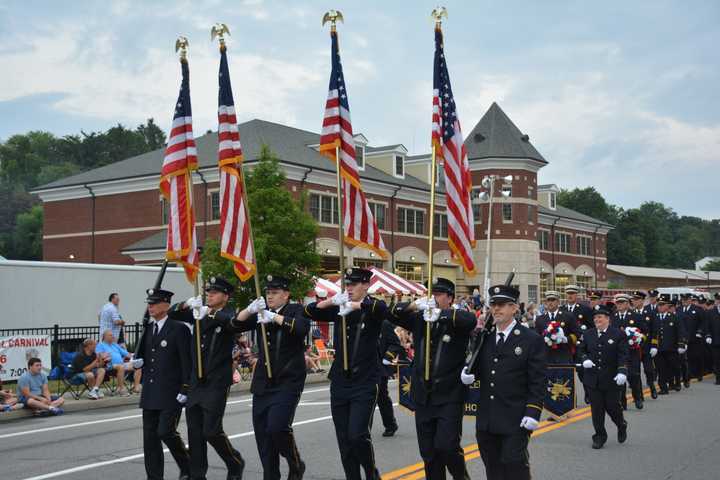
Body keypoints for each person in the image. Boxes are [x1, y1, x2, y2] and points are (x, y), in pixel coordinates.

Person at [303, 267, 388, 480]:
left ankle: (371, 472)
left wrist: (354, 305)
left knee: (358, 435)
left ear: (366, 286)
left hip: (365, 381)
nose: (349, 288)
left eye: (353, 285)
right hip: (340, 381)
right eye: (347, 285)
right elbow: (310, 311)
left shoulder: (371, 307)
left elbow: (381, 308)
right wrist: (332, 302)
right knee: (344, 441)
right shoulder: (338, 306)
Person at [388, 278, 475, 479]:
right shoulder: (420, 318)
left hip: (449, 395)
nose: (433, 298)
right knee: (429, 453)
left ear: (450, 298)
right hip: (423, 395)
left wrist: (440, 315)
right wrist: (413, 305)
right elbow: (391, 314)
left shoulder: (455, 319)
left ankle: (461, 476)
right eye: (432, 294)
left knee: (447, 446)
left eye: (438, 294)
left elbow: (469, 321)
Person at [461, 284, 546, 480]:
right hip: (487, 419)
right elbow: (480, 370)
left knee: (514, 466)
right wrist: (468, 372)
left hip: (515, 417)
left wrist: (533, 411)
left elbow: (538, 380)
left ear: (515, 308)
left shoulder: (530, 339)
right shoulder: (485, 338)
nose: (497, 309)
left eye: (502, 304)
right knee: (493, 468)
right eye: (493, 304)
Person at [233, 275, 310, 480]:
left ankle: (294, 462)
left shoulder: (295, 310)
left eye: (274, 293)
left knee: (277, 427)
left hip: (288, 380)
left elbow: (302, 328)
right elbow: (235, 325)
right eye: (268, 292)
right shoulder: (260, 312)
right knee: (264, 438)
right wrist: (249, 310)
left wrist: (274, 317)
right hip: (263, 382)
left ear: (286, 294)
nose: (270, 296)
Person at [169, 276, 246, 480]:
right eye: (208, 292)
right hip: (197, 381)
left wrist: (210, 313)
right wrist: (187, 304)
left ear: (225, 296)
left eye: (214, 292)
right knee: (194, 433)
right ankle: (197, 474)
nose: (209, 295)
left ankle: (235, 462)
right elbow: (171, 313)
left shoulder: (228, 314)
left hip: (217, 381)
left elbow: (234, 324)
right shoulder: (198, 313)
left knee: (211, 431)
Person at [133, 287, 192, 480]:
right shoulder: (148, 329)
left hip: (170, 392)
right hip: (151, 392)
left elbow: (186, 361)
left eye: (155, 303)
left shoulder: (179, 328)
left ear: (166, 305)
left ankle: (187, 465)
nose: (150, 307)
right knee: (150, 440)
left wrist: (185, 387)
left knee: (165, 431)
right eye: (149, 303)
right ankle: (154, 476)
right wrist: (137, 362)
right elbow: (144, 356)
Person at [579, 304, 629, 449]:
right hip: (593, 379)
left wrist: (622, 371)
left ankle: (621, 424)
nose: (597, 319)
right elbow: (581, 349)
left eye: (600, 317)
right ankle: (600, 436)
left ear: (608, 319)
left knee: (613, 407)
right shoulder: (588, 334)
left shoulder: (618, 334)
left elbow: (623, 355)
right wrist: (584, 359)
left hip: (611, 378)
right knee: (597, 409)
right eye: (595, 317)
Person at [611, 293, 645, 410]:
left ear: (626, 304)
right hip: (618, 353)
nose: (619, 305)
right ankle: (622, 402)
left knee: (633, 376)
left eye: (621, 303)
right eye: (618, 303)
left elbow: (644, 333)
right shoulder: (612, 317)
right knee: (620, 377)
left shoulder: (635, 316)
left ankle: (638, 398)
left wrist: (638, 339)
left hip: (632, 351)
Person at [651, 294, 688, 394]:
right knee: (661, 368)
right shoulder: (654, 318)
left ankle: (676, 382)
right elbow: (654, 334)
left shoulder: (674, 318)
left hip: (671, 348)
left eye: (662, 305)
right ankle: (663, 388)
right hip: (659, 349)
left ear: (667, 306)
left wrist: (681, 344)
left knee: (674, 366)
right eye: (659, 305)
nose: (660, 307)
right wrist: (653, 346)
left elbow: (680, 332)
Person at [377, 319, 404, 438]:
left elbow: (395, 344)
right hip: (362, 368)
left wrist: (388, 357)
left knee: (381, 397)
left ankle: (390, 424)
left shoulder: (384, 324)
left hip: (378, 367)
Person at [534, 291, 578, 364]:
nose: (550, 303)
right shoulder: (540, 319)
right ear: (545, 302)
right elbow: (536, 337)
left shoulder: (568, 316)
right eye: (548, 300)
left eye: (553, 300)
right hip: (546, 356)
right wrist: (544, 339)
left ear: (558, 302)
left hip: (563, 355)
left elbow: (577, 334)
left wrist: (566, 339)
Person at [95, 329, 141, 396]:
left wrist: (134, 356)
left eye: (112, 335)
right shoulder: (100, 345)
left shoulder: (115, 345)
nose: (113, 336)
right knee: (121, 367)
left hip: (121, 364)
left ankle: (136, 387)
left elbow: (127, 354)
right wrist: (105, 356)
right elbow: (99, 356)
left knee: (138, 365)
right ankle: (121, 389)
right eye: (110, 335)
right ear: (105, 336)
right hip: (109, 365)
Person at [705, 293, 720, 385]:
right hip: (715, 341)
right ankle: (718, 378)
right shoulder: (711, 312)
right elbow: (707, 326)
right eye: (717, 300)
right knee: (717, 360)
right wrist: (708, 335)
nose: (718, 301)